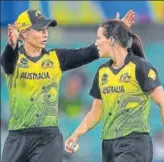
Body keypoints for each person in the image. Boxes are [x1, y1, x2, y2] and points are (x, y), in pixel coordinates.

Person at [1, 9, 135, 162]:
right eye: (39, 29)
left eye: (46, 29)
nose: (45, 33)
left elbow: (91, 52)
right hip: (17, 137)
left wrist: (118, 32)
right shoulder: (14, 59)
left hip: (48, 138)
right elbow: (7, 62)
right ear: (23, 33)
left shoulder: (56, 58)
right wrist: (11, 45)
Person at [65, 20, 164, 162]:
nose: (96, 43)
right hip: (108, 145)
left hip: (134, 144)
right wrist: (75, 134)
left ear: (111, 40)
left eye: (99, 38)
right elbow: (95, 112)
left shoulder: (140, 67)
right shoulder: (102, 72)